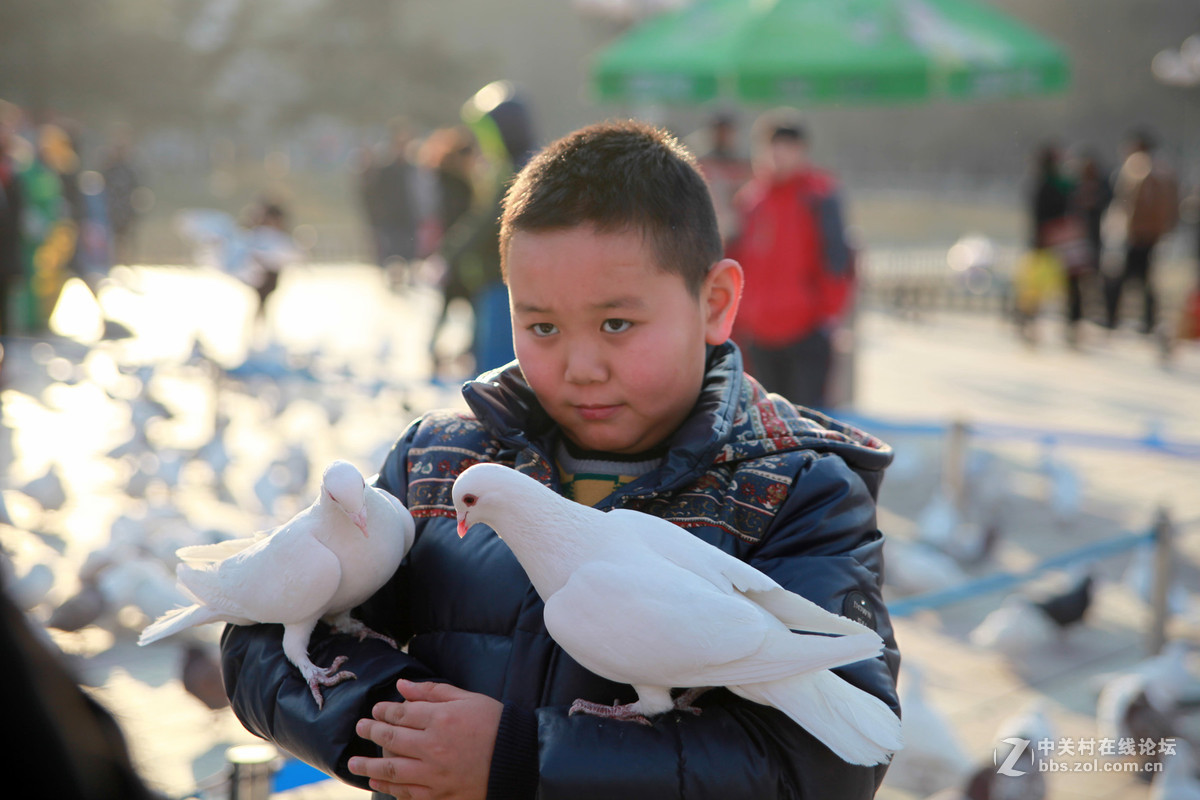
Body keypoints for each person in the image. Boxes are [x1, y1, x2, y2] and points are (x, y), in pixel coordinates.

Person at [221, 119, 900, 800]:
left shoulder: (797, 491)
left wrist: (519, 758)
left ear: (715, 303)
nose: (580, 367)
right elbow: (263, 637)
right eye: (541, 326)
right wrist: (403, 736)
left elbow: (826, 764)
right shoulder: (438, 464)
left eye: (616, 324)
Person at [727, 112, 853, 408]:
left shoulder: (819, 195)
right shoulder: (749, 200)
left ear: (801, 151)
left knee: (807, 420)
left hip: (806, 330)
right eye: (771, 146)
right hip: (757, 333)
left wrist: (828, 317)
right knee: (765, 421)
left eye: (786, 147)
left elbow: (838, 260)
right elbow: (735, 260)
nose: (777, 155)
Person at [1104, 129, 1179, 335]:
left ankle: (1113, 318)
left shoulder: (1139, 166)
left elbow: (1136, 203)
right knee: (1145, 279)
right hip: (1153, 234)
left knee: (1121, 278)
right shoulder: (1164, 170)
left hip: (1138, 234)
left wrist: (1131, 228)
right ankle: (1148, 321)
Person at [693, 111, 751, 247]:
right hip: (705, 232)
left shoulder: (743, 166)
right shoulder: (700, 164)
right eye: (719, 131)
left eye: (726, 131)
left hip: (738, 235)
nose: (722, 136)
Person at [101, 126, 142, 268]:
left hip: (126, 210)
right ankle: (113, 263)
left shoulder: (130, 169)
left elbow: (137, 189)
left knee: (127, 239)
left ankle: (127, 263)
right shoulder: (108, 168)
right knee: (112, 239)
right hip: (110, 209)